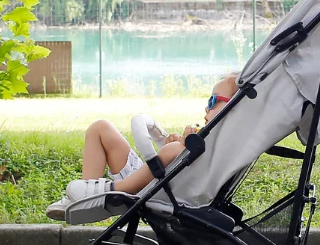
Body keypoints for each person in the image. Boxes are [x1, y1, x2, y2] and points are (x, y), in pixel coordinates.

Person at [47, 72, 240, 222]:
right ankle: (87, 199)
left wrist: (179, 147)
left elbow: (195, 171)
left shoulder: (225, 140)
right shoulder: (218, 137)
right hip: (154, 182)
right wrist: (176, 143)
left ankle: (114, 190)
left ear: (232, 107)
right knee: (100, 128)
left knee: (174, 151)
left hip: (150, 190)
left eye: (213, 100)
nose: (207, 107)